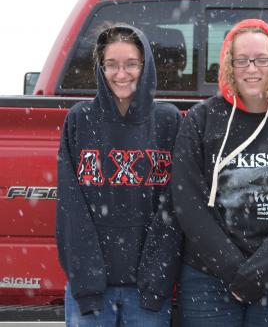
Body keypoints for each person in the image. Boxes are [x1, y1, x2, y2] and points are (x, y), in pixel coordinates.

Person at [171, 18, 268, 327]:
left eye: (261, 60)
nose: (252, 69)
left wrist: (265, 269)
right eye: (241, 60)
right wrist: (233, 269)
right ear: (228, 64)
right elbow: (187, 201)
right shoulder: (202, 120)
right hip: (209, 277)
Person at [55, 24, 182, 327]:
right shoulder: (80, 120)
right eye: (111, 64)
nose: (121, 74)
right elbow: (71, 208)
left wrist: (155, 281)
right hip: (91, 290)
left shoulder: (168, 121)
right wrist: (87, 280)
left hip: (147, 291)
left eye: (131, 64)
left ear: (146, 65)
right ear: (100, 67)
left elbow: (173, 209)